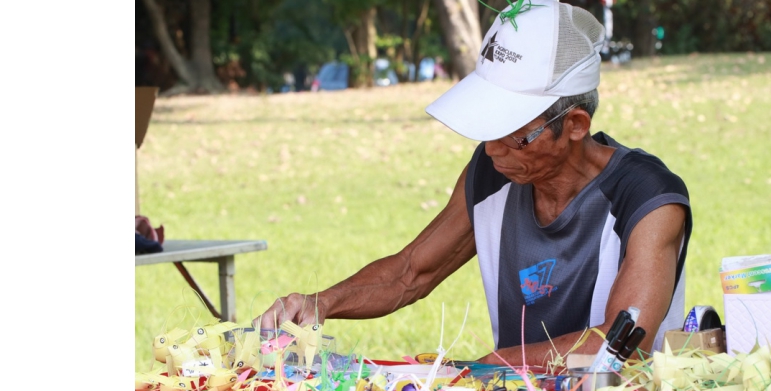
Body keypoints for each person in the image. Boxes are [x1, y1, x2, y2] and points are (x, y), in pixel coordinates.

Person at [255, 0, 692, 366]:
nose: (494, 149)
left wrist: (493, 364)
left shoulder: (649, 198)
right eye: (488, 130)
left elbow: (619, 346)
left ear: (575, 124)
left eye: (512, 134)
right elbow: (411, 272)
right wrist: (322, 303)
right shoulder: (492, 172)